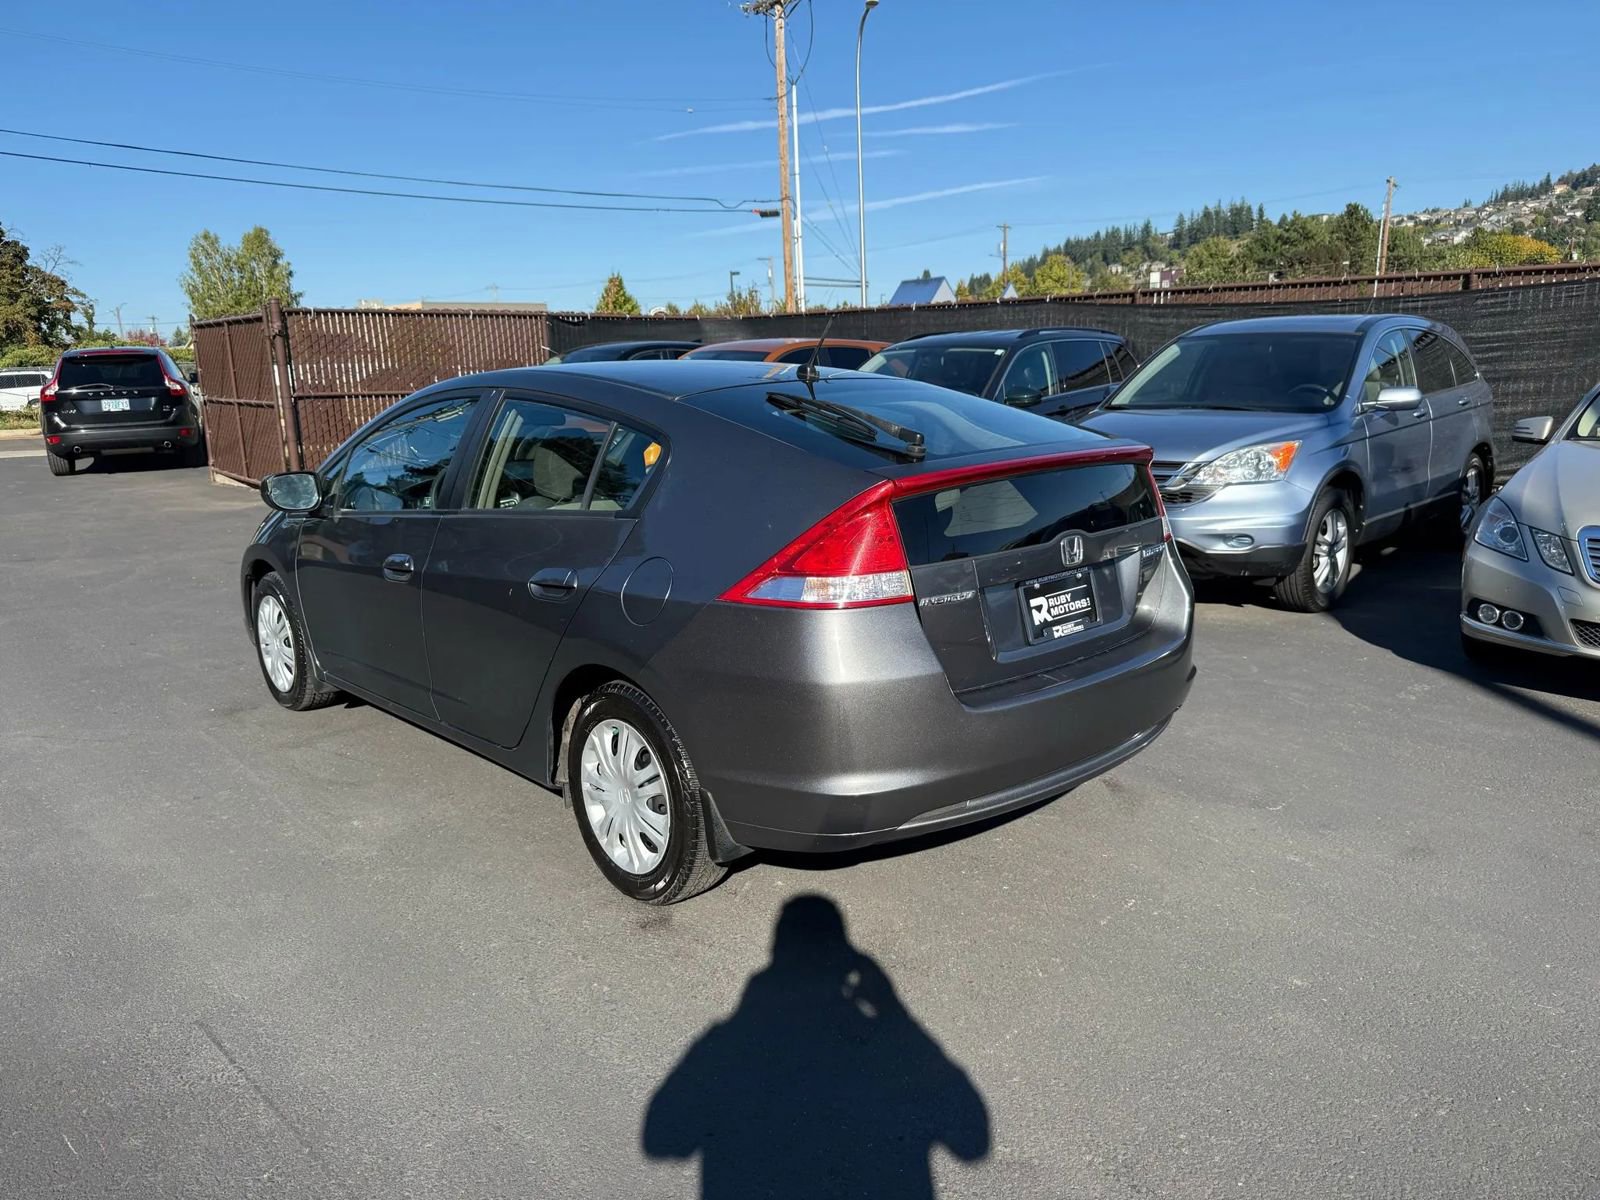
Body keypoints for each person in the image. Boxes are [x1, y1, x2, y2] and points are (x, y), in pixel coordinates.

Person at [643, 894, 990, 1199]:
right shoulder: (882, 1046)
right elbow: (972, 1141)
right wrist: (895, 1013)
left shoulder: (722, 1045)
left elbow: (658, 1138)